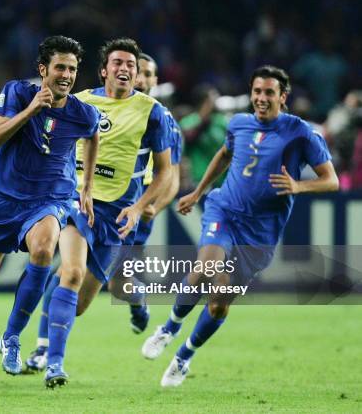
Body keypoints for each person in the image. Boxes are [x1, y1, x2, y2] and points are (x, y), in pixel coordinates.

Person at [141, 65, 339, 387]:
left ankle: (184, 356)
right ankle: (169, 327)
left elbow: (330, 180)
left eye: (269, 93)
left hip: (260, 233)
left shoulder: (300, 132)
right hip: (226, 210)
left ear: (282, 96)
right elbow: (224, 154)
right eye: (257, 92)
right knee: (206, 266)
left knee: (219, 304)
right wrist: (198, 191)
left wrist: (299, 186)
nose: (261, 98)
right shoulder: (239, 123)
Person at [0, 35, 100, 389]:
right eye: (60, 67)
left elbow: (93, 137)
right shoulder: (17, 94)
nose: (67, 75)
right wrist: (31, 111)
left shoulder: (82, 113)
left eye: (73, 69)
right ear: (43, 69)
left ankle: (11, 337)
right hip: (1, 198)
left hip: (48, 199)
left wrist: (86, 184)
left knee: (44, 248)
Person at [25, 38, 177, 387]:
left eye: (131, 65)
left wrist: (140, 207)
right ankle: (53, 363)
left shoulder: (153, 112)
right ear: (104, 70)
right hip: (77, 202)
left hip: (119, 215)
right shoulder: (80, 102)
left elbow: (167, 171)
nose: (125, 69)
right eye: (118, 63)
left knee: (79, 303)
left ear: (137, 74)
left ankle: (134, 303)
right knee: (72, 272)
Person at [107, 53, 182, 334]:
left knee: (117, 285)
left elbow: (171, 178)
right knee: (69, 269)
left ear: (156, 81)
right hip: (105, 202)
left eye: (150, 74)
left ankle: (138, 301)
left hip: (138, 212)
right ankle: (44, 348)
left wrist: (153, 207)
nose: (143, 79)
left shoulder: (165, 121)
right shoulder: (109, 109)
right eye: (140, 72)